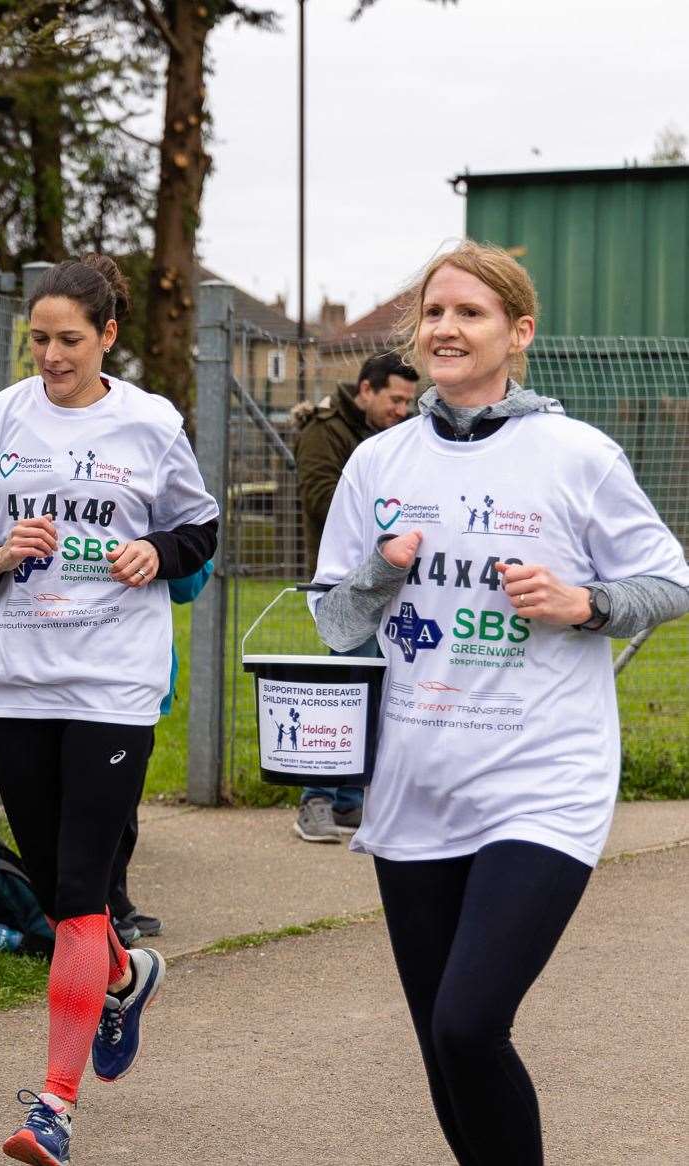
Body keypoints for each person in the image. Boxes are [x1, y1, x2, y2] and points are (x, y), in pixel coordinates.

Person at [311, 240, 689, 1165]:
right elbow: (332, 621)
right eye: (434, 312)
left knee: (470, 1023)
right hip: (416, 786)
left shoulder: (575, 456)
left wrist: (583, 603)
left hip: (540, 780)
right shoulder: (378, 462)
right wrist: (376, 571)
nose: (445, 328)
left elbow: (668, 580)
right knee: (443, 1048)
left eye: (469, 313)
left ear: (517, 334)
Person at [0, 254, 219, 1165]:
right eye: (39, 340)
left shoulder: (149, 421)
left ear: (107, 336)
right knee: (69, 884)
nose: (51, 357)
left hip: (111, 678)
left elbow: (197, 531)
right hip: (17, 675)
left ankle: (53, 1105)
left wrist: (152, 550)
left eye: (68, 340)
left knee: (74, 895)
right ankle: (124, 977)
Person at [290, 352, 418, 843]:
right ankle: (315, 799)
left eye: (409, 401)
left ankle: (348, 799)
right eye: (395, 399)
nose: (402, 410)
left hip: (399, 581)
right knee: (345, 686)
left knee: (381, 692)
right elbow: (320, 498)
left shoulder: (396, 439)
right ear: (366, 390)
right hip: (350, 585)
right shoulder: (327, 432)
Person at [105, 558, 214, 944]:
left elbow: (187, 587)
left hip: (139, 678)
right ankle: (93, 908)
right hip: (90, 666)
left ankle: (114, 899)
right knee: (95, 803)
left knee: (124, 804)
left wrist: (172, 541)